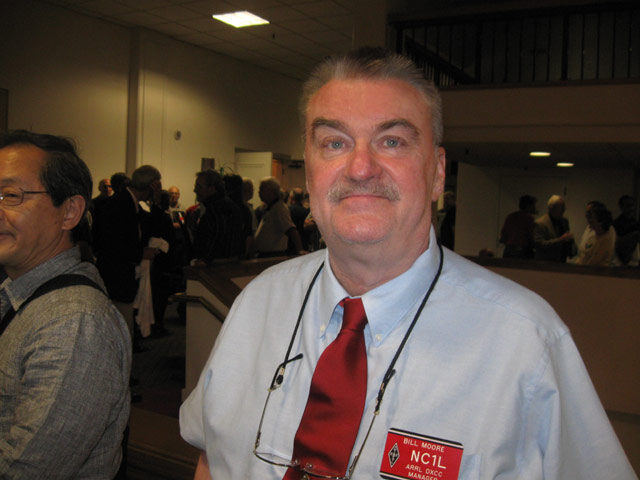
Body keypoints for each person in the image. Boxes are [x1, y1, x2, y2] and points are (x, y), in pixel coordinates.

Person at [179, 48, 635, 479]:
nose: (360, 167)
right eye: (334, 142)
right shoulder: (257, 305)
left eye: (392, 141)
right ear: (311, 168)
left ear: (438, 172)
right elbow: (212, 460)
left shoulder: (525, 343)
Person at [0, 130, 131, 478]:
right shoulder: (18, 293)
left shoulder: (73, 322)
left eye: (11, 195)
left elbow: (26, 470)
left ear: (69, 211)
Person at [93, 165, 162, 345]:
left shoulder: (129, 203)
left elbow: (153, 226)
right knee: (121, 330)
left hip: (119, 275)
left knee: (123, 327)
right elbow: (113, 244)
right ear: (150, 185)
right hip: (116, 276)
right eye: (157, 186)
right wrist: (141, 253)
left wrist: (156, 203)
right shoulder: (120, 204)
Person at [190, 169, 244, 264]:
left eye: (199, 187)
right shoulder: (228, 205)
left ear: (212, 188)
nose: (195, 190)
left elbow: (217, 237)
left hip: (216, 266)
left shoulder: (216, 209)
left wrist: (206, 260)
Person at [253, 176, 304, 257]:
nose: (258, 192)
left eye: (262, 189)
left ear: (271, 191)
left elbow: (291, 230)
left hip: (272, 255)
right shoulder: (270, 207)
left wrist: (300, 250)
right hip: (266, 254)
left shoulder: (279, 208)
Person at [573, 201, 616, 266]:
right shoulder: (589, 230)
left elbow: (594, 260)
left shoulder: (608, 233)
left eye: (589, 214)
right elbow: (583, 254)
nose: (586, 216)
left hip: (597, 270)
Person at [534, 194, 576, 262]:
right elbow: (539, 245)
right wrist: (560, 240)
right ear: (552, 208)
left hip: (562, 262)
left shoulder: (564, 221)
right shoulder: (540, 223)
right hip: (545, 263)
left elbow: (567, 240)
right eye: (561, 207)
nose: (564, 209)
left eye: (564, 207)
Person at [500, 194, 536, 258]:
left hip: (508, 250)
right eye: (533, 205)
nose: (534, 208)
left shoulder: (510, 217)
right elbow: (531, 236)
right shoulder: (529, 218)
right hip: (523, 252)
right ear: (528, 206)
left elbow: (503, 235)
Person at [613, 195, 640, 266]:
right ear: (621, 207)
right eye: (628, 206)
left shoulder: (636, 224)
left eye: (632, 205)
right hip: (620, 261)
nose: (631, 208)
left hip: (635, 260)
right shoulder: (616, 224)